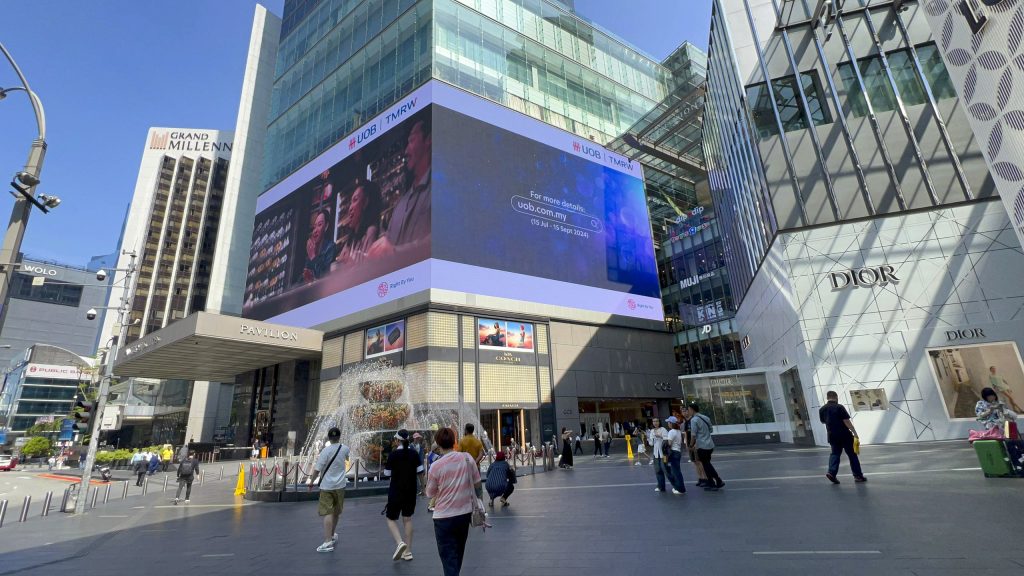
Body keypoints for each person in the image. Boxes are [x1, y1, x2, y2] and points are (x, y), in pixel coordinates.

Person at [368, 118, 432, 259]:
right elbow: (386, 246)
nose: (406, 151)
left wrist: (394, 252)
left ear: (429, 140)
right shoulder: (400, 206)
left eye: (411, 141)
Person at [425, 427, 481, 576]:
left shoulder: (435, 466)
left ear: (438, 444)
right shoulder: (467, 459)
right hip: (464, 515)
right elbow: (477, 483)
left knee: (448, 557)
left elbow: (430, 493)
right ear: (454, 441)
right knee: (458, 553)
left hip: (443, 518)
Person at [310, 427, 350, 553]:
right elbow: (347, 459)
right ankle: (332, 535)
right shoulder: (345, 448)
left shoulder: (325, 451)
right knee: (336, 512)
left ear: (329, 437)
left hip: (327, 486)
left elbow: (317, 469)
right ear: (339, 437)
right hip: (340, 486)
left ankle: (327, 542)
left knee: (328, 512)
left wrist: (311, 482)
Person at [384, 430, 423, 562]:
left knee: (390, 518)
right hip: (411, 491)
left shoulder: (393, 455)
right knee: (407, 519)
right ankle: (408, 552)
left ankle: (400, 542)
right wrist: (424, 487)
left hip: (396, 490)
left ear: (397, 440)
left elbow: (387, 474)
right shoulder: (414, 453)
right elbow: (420, 472)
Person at [818, 391, 865, 484]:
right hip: (845, 435)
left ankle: (831, 472)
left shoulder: (822, 409)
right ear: (836, 397)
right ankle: (858, 476)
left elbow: (823, 421)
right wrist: (854, 432)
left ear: (827, 398)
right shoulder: (839, 407)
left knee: (835, 454)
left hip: (832, 436)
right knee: (852, 455)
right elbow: (846, 421)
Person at [336, 180, 383, 264]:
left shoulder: (371, 232)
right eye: (351, 202)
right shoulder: (351, 240)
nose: (350, 208)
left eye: (355, 200)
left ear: (366, 203)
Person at [688, 402, 725, 490]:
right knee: (707, 463)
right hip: (710, 444)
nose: (688, 411)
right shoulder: (705, 417)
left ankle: (715, 482)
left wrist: (690, 445)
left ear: (692, 410)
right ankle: (715, 481)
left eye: (689, 410)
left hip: (702, 445)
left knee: (706, 465)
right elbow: (711, 430)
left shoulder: (694, 420)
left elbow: (693, 435)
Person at [302, 207, 337, 282]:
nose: (315, 230)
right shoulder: (312, 250)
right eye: (314, 227)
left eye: (319, 225)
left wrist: (313, 257)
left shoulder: (331, 247)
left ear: (326, 226)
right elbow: (304, 279)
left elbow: (324, 276)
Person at [683, 406, 708, 487]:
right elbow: (686, 433)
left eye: (685, 411)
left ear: (689, 411)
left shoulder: (694, 420)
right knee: (694, 462)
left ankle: (705, 478)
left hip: (695, 444)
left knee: (699, 462)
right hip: (690, 444)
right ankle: (700, 478)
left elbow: (696, 433)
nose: (684, 413)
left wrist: (696, 443)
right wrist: (686, 444)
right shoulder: (686, 422)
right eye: (682, 411)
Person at [665, 416, 687, 495]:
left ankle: (680, 489)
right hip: (678, 452)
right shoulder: (678, 431)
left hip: (673, 453)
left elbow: (669, 444)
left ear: (671, 423)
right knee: (677, 471)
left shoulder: (671, 432)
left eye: (668, 422)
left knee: (675, 471)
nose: (668, 424)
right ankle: (679, 487)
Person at [648, 418, 669, 492]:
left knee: (666, 470)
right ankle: (660, 486)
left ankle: (676, 485)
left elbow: (667, 439)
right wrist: (650, 439)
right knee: (658, 470)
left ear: (659, 422)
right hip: (656, 454)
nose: (655, 423)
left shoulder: (663, 429)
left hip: (664, 454)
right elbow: (651, 444)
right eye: (654, 421)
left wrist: (660, 436)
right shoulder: (652, 431)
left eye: (657, 421)